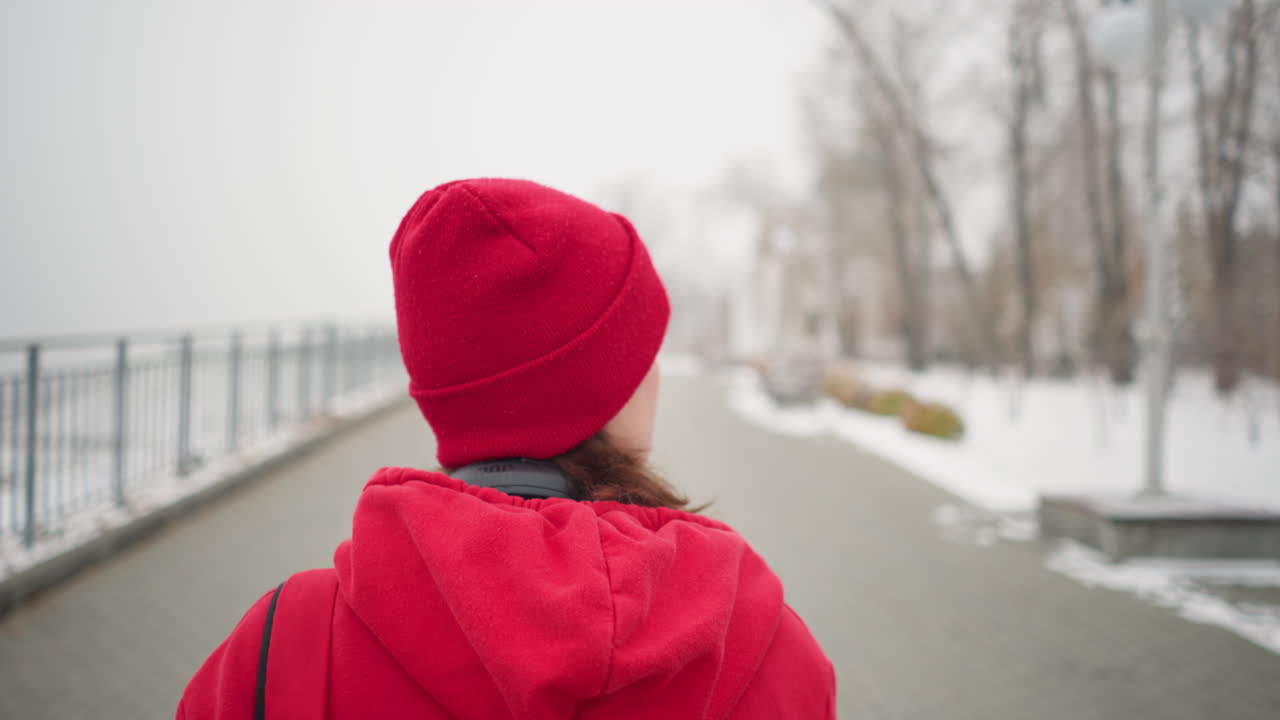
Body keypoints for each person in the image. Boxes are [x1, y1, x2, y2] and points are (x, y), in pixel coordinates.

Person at [176, 178, 836, 719]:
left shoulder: (281, 650)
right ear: (602, 389)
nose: (656, 373)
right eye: (642, 352)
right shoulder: (760, 648)